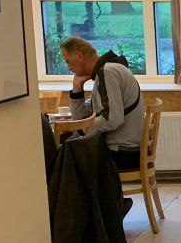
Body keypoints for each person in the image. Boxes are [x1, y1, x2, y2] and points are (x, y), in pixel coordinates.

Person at [60, 36, 144, 173]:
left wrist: (82, 129)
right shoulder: (108, 70)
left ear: (79, 56)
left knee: (65, 157)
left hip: (123, 152)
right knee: (68, 151)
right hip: (125, 149)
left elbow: (112, 119)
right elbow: (81, 117)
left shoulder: (108, 72)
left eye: (68, 61)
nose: (69, 68)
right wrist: (77, 88)